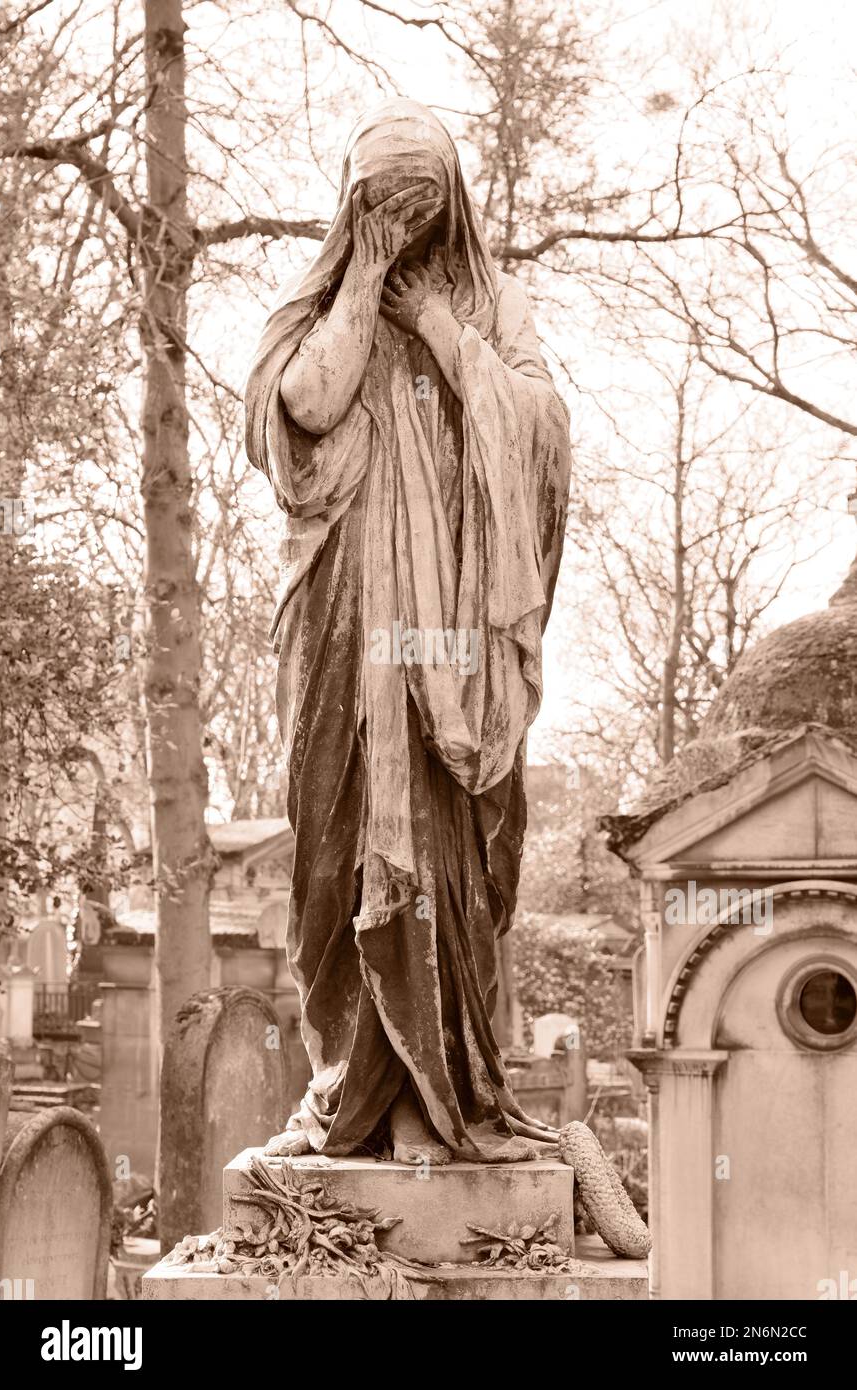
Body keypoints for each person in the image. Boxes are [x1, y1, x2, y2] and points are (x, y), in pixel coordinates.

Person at [245, 99, 571, 1164]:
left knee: (442, 840)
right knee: (335, 847)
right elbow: (304, 402)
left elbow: (540, 434)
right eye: (380, 202)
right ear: (350, 203)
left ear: (453, 202)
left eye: (419, 200)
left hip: (451, 649)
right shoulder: (311, 305)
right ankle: (346, 1089)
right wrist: (359, 281)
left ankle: (444, 1100)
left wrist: (439, 329)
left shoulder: (488, 304)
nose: (402, 219)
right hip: (343, 624)